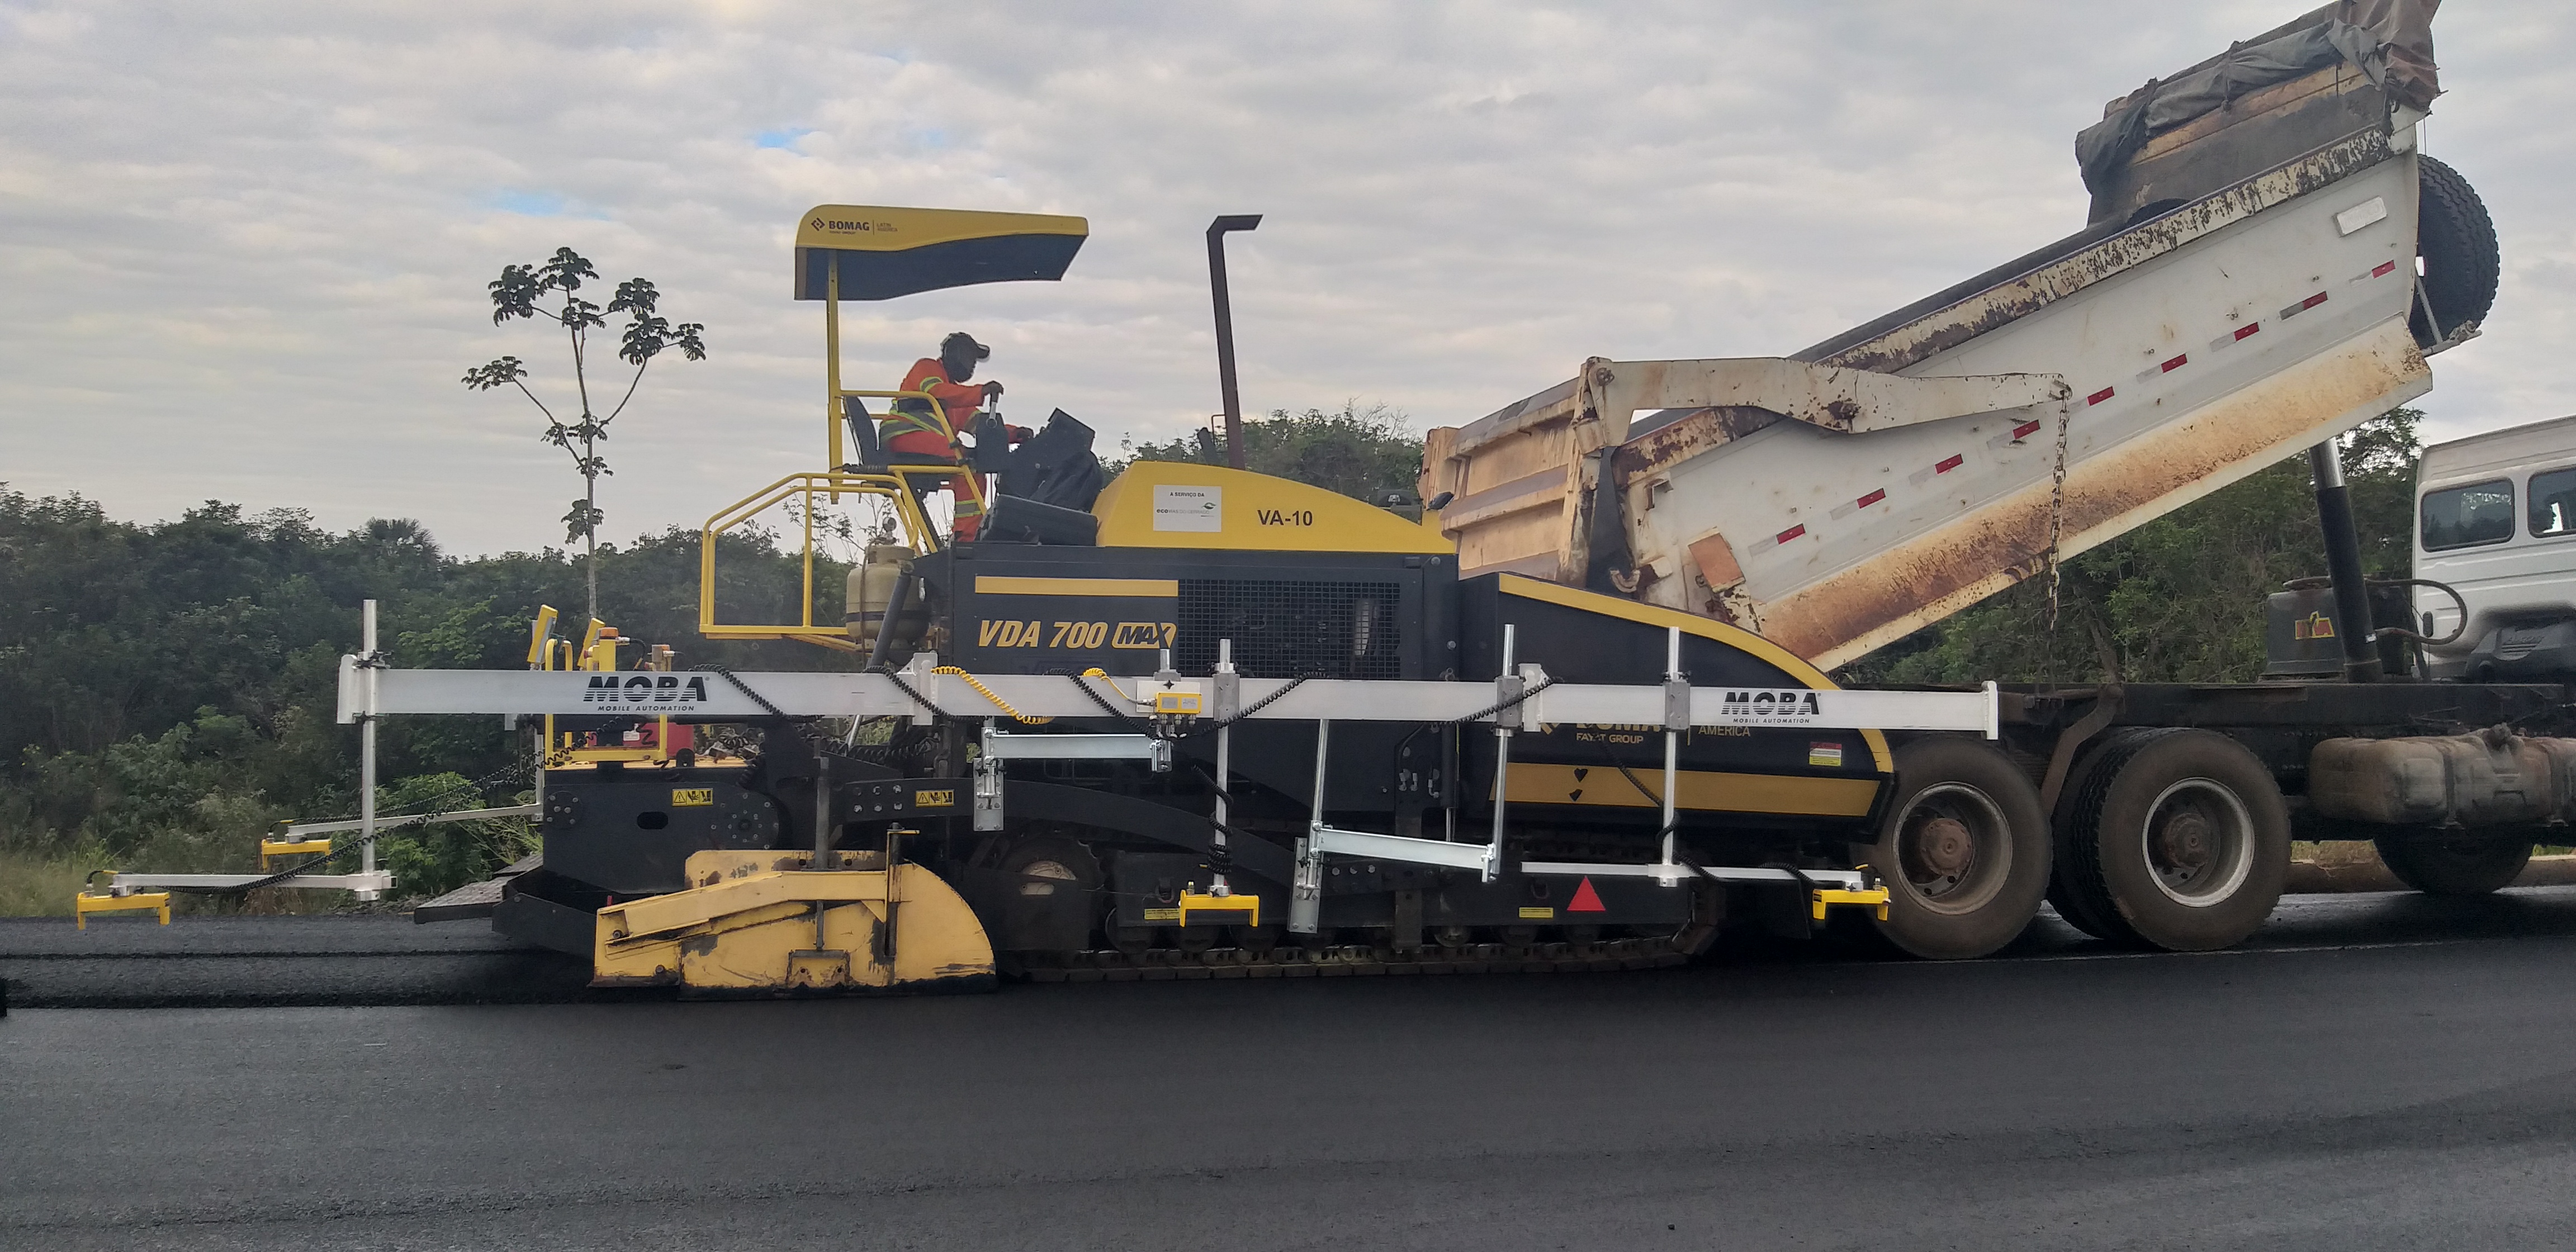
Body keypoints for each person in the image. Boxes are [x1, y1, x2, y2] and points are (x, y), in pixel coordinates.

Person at [889, 332, 1026, 541]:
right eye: (970, 358)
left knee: (973, 464)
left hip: (925, 443)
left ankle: (968, 535)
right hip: (905, 436)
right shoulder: (927, 368)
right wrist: (981, 391)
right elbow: (937, 391)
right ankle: (966, 539)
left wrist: (1016, 434)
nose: (972, 366)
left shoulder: (955, 397)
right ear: (954, 354)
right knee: (967, 463)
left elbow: (981, 425)